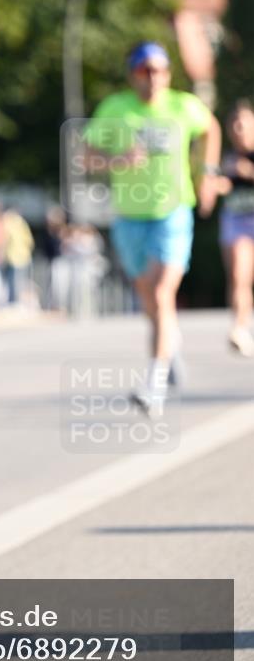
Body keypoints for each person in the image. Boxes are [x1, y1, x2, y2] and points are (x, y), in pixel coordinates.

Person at [84, 41, 221, 416]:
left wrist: (207, 174)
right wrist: (118, 159)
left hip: (172, 211)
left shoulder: (182, 105)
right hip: (129, 216)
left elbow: (211, 127)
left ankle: (154, 383)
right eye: (146, 71)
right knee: (149, 299)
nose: (154, 77)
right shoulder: (115, 109)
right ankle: (171, 347)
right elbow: (87, 156)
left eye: (160, 70)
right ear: (133, 74)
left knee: (161, 294)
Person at [218, 99, 254, 356]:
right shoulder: (227, 158)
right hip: (236, 221)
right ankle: (240, 327)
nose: (239, 128)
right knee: (239, 276)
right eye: (235, 124)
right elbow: (222, 186)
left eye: (244, 123)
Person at [2, 207, 34, 306]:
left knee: (14, 281)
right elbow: (29, 241)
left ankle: (13, 301)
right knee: (18, 280)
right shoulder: (22, 223)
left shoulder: (9, 223)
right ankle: (16, 301)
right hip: (21, 256)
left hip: (15, 257)